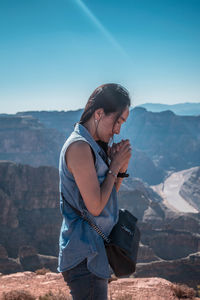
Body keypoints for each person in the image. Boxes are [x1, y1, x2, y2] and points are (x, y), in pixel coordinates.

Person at [58, 83, 132, 300]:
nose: (118, 129)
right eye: (117, 120)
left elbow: (107, 198)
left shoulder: (92, 146)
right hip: (84, 257)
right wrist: (115, 166)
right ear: (99, 113)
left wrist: (119, 170)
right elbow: (95, 207)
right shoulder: (79, 147)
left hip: (92, 253)